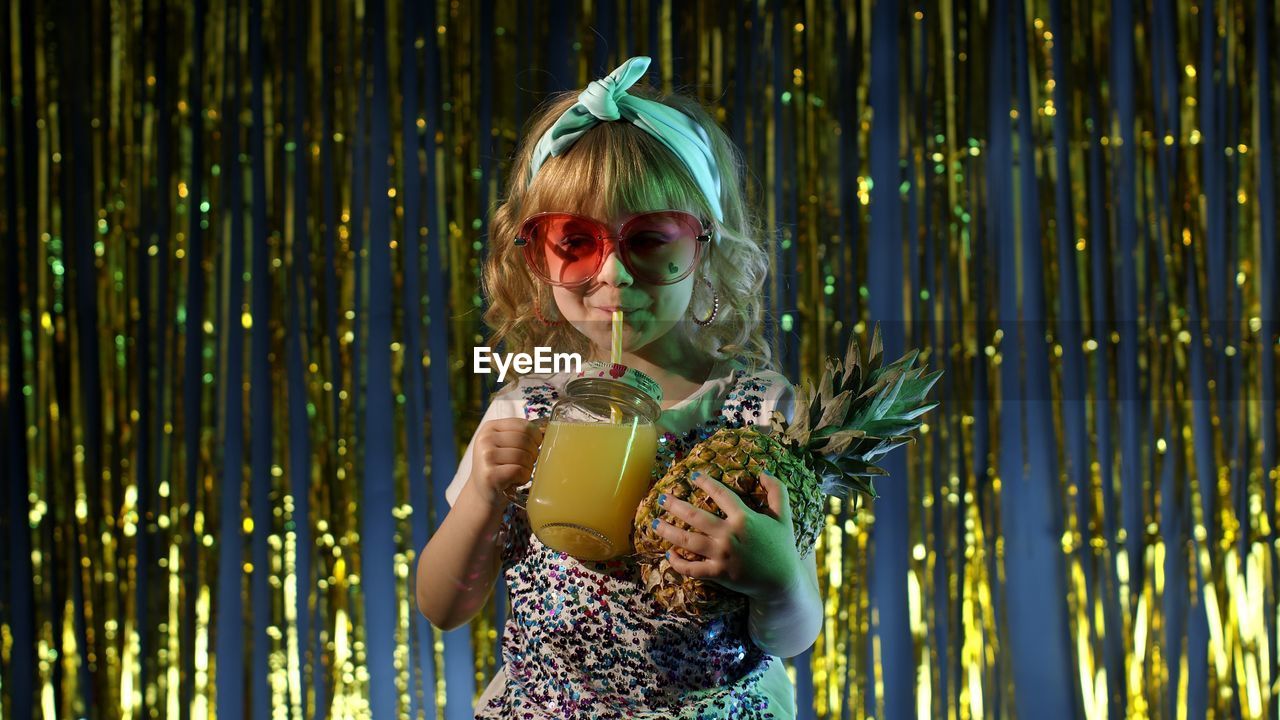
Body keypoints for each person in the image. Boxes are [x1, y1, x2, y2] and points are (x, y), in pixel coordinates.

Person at [415, 56, 822, 719]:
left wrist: (775, 575)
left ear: (703, 248)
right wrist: (482, 501)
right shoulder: (528, 406)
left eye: (650, 242)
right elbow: (442, 607)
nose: (614, 277)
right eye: (576, 241)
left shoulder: (757, 412)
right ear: (535, 254)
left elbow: (793, 635)